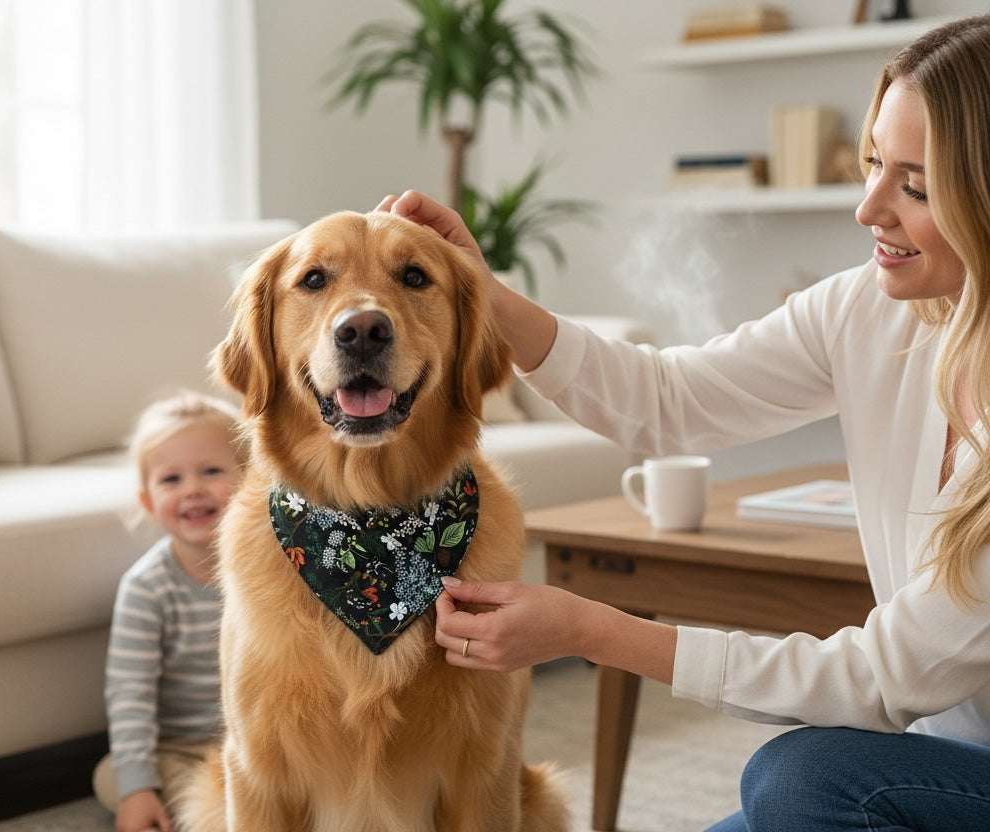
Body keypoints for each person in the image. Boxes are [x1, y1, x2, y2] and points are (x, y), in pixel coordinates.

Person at [380, 14, 990, 831]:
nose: (867, 208)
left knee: (800, 776)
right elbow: (669, 402)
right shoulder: (868, 312)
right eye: (874, 163)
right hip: (936, 752)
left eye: (914, 186)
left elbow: (878, 680)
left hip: (949, 765)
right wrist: (486, 297)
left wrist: (595, 630)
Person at [92, 392, 246, 832]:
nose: (193, 489)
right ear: (147, 502)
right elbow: (129, 693)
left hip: (261, 738)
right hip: (181, 748)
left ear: (251, 477)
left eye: (212, 471)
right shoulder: (147, 588)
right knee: (116, 776)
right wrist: (138, 788)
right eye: (171, 479)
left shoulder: (274, 570)